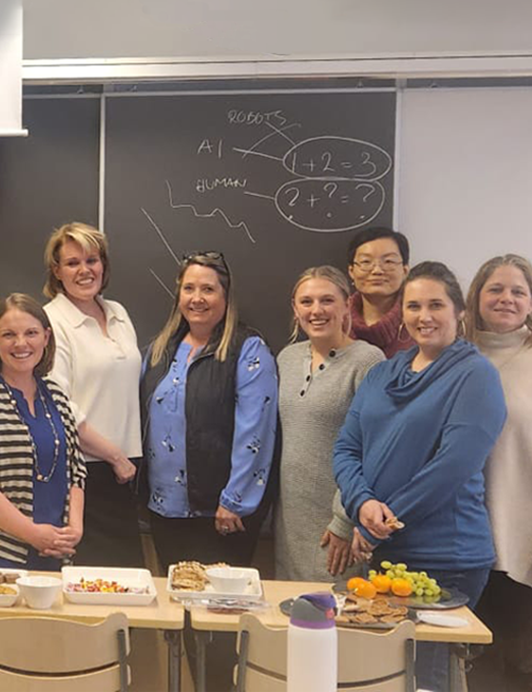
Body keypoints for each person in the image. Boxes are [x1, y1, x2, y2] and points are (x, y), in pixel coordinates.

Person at [334, 261, 506, 692]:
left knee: (428, 681)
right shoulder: (384, 372)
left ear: (459, 312)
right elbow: (346, 448)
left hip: (446, 559)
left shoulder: (476, 376)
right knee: (390, 677)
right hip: (389, 551)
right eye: (413, 306)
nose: (423, 316)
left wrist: (380, 525)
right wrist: (362, 504)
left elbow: (451, 469)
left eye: (435, 305)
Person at [139, 251, 277, 692]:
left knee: (218, 630)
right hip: (166, 512)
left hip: (219, 514)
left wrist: (235, 499)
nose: (197, 298)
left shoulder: (247, 349)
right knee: (181, 619)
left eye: (208, 289)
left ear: (225, 295)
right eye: (189, 288)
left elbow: (257, 428)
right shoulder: (160, 350)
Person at [0, 293, 87, 571]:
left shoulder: (57, 397)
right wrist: (32, 533)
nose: (21, 343)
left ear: (46, 338)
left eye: (31, 333)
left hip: (53, 554)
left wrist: (74, 529)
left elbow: (76, 471)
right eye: (9, 335)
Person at [273, 266, 383, 582]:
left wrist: (345, 520)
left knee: (335, 621)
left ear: (347, 304)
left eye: (327, 300)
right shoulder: (286, 359)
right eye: (306, 302)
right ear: (295, 309)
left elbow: (373, 448)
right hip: (290, 523)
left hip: (337, 524)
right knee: (291, 621)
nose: (316, 310)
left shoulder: (368, 361)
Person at [42, 222, 143, 567]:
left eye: (92, 260)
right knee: (93, 588)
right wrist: (114, 456)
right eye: (72, 263)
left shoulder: (118, 313)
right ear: (56, 271)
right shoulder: (50, 321)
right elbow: (59, 405)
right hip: (83, 473)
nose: (84, 270)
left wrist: (124, 461)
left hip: (126, 472)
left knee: (129, 584)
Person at [463, 254, 532, 692]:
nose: (506, 299)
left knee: (518, 669)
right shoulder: (450, 356)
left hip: (523, 542)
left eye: (517, 291)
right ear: (476, 297)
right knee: (467, 667)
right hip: (460, 541)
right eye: (495, 289)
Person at [346, 226, 415, 357]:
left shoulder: (419, 322)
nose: (377, 270)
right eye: (366, 262)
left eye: (388, 261)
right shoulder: (337, 321)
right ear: (351, 271)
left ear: (405, 270)